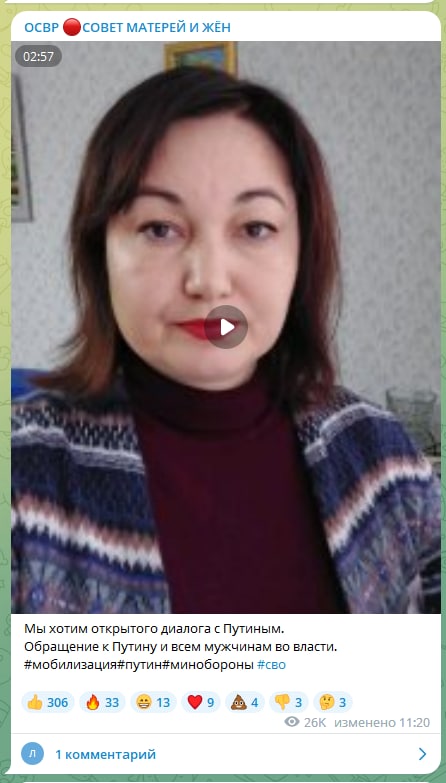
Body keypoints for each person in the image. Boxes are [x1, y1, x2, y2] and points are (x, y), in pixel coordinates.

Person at [12, 66, 440, 614]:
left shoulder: (384, 454)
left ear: (301, 254)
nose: (210, 282)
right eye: (159, 228)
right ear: (101, 255)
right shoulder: (24, 474)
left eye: (255, 228)